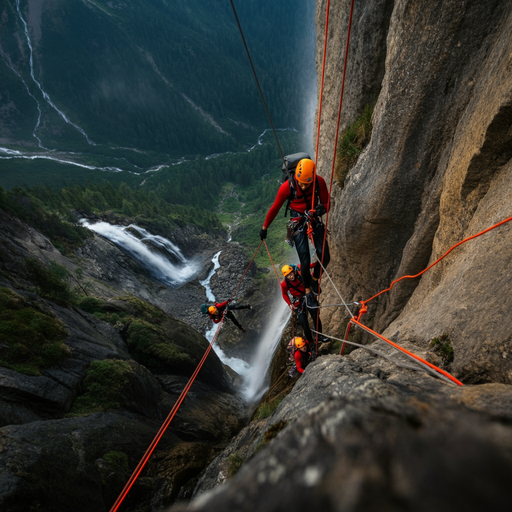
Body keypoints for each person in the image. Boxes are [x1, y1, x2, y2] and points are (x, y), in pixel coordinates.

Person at [260, 158, 330, 308]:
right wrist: (265, 227)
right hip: (297, 221)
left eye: (307, 183)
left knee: (325, 255)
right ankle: (308, 292)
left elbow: (326, 203)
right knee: (304, 260)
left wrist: (321, 209)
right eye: (301, 183)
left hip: (312, 217)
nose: (304, 186)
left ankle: (314, 278)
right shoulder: (287, 187)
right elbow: (275, 208)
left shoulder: (319, 182)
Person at [280, 264, 325, 347]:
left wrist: (318, 262)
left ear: (293, 271)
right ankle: (311, 344)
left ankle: (320, 336)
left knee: (316, 317)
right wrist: (289, 304)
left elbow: (310, 265)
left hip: (308, 296)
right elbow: (284, 294)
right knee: (305, 325)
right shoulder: (284, 284)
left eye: (290, 274)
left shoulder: (300, 271)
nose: (290, 277)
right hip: (299, 302)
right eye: (287, 276)